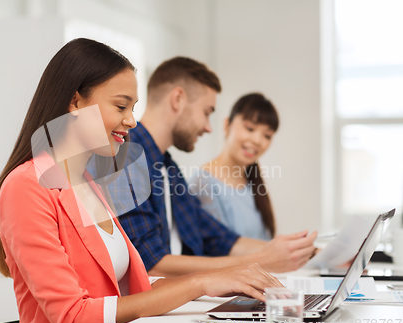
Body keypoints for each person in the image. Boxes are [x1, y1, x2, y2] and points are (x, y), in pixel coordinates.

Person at [0, 39, 282, 323]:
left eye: (132, 107)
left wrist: (222, 281)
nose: (131, 121)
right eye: (120, 106)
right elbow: (73, 317)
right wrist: (201, 282)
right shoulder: (25, 187)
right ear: (75, 102)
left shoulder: (89, 183)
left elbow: (130, 290)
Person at [117, 57, 317, 278]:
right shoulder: (126, 156)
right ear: (178, 99)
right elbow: (152, 264)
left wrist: (302, 250)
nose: (208, 127)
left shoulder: (168, 168)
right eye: (206, 111)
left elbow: (217, 237)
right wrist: (261, 261)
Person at [188, 93, 279, 241]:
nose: (257, 140)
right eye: (250, 128)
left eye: (267, 136)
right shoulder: (203, 183)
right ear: (227, 125)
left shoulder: (252, 181)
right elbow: (218, 249)